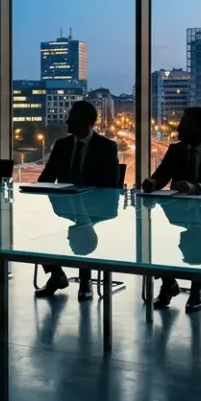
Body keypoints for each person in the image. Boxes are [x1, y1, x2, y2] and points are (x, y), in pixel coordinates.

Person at [142, 107, 201, 312]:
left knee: (195, 238)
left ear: (200, 129)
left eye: (184, 123)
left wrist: (197, 189)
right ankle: (169, 284)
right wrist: (151, 183)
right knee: (153, 240)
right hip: (178, 214)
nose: (178, 127)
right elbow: (161, 176)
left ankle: (196, 289)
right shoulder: (176, 150)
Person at [34, 101, 121, 301]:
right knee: (35, 234)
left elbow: (111, 184)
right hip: (63, 207)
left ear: (87, 122)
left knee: (82, 225)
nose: (66, 122)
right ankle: (56, 274)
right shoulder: (62, 145)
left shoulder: (107, 147)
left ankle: (85, 281)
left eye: (71, 118)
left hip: (96, 207)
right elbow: (46, 178)